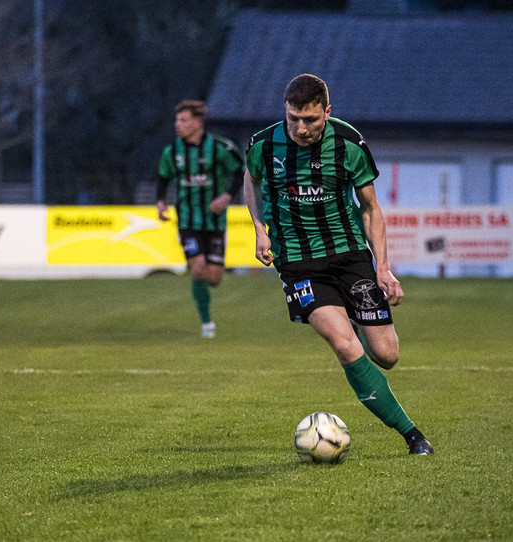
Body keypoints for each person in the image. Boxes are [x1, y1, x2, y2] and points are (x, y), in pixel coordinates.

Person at [243, 74, 434, 455]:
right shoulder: (264, 144)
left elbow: (370, 208)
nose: (300, 127)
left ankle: (358, 323)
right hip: (298, 263)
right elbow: (250, 180)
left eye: (310, 119)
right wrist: (259, 229)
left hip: (350, 256)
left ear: (327, 113)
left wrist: (383, 268)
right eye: (293, 117)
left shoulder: (348, 143)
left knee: (387, 355)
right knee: (345, 346)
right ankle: (413, 436)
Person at [157, 99, 245, 338]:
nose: (177, 124)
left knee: (214, 278)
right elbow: (163, 177)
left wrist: (226, 196)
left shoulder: (219, 148)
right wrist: (161, 202)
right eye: (177, 120)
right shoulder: (173, 152)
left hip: (214, 221)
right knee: (197, 268)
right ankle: (207, 323)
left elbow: (239, 172)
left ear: (197, 122)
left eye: (183, 120)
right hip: (187, 220)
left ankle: (205, 297)